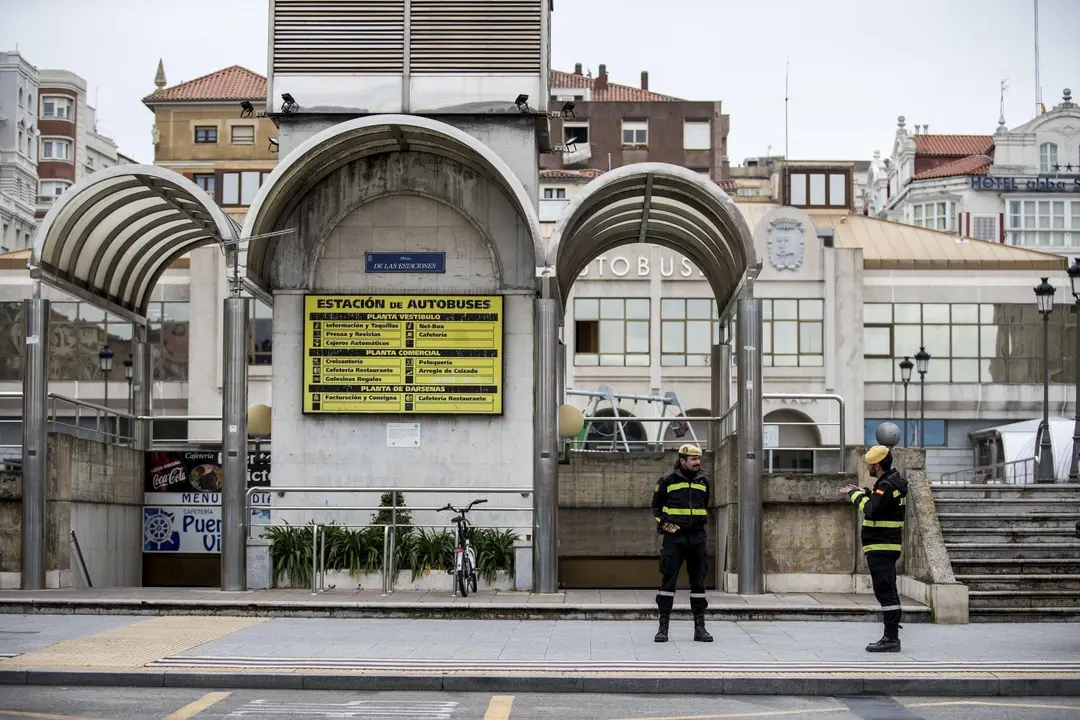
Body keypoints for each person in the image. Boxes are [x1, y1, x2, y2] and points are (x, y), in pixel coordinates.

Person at [840, 445, 908, 652]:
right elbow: (881, 503)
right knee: (889, 591)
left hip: (881, 547)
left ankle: (891, 638)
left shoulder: (886, 485)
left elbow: (871, 510)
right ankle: (891, 634)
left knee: (885, 592)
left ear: (877, 465)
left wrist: (854, 495)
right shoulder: (891, 483)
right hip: (887, 546)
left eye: (870, 465)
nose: (868, 468)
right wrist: (866, 492)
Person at [651, 443, 712, 643]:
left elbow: (705, 505)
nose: (698, 463)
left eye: (698, 459)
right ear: (682, 460)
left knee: (698, 583)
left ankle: (700, 628)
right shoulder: (667, 481)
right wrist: (666, 527)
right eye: (693, 459)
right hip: (674, 538)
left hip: (697, 538)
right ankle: (663, 628)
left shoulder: (704, 480)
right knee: (667, 582)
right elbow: (656, 508)